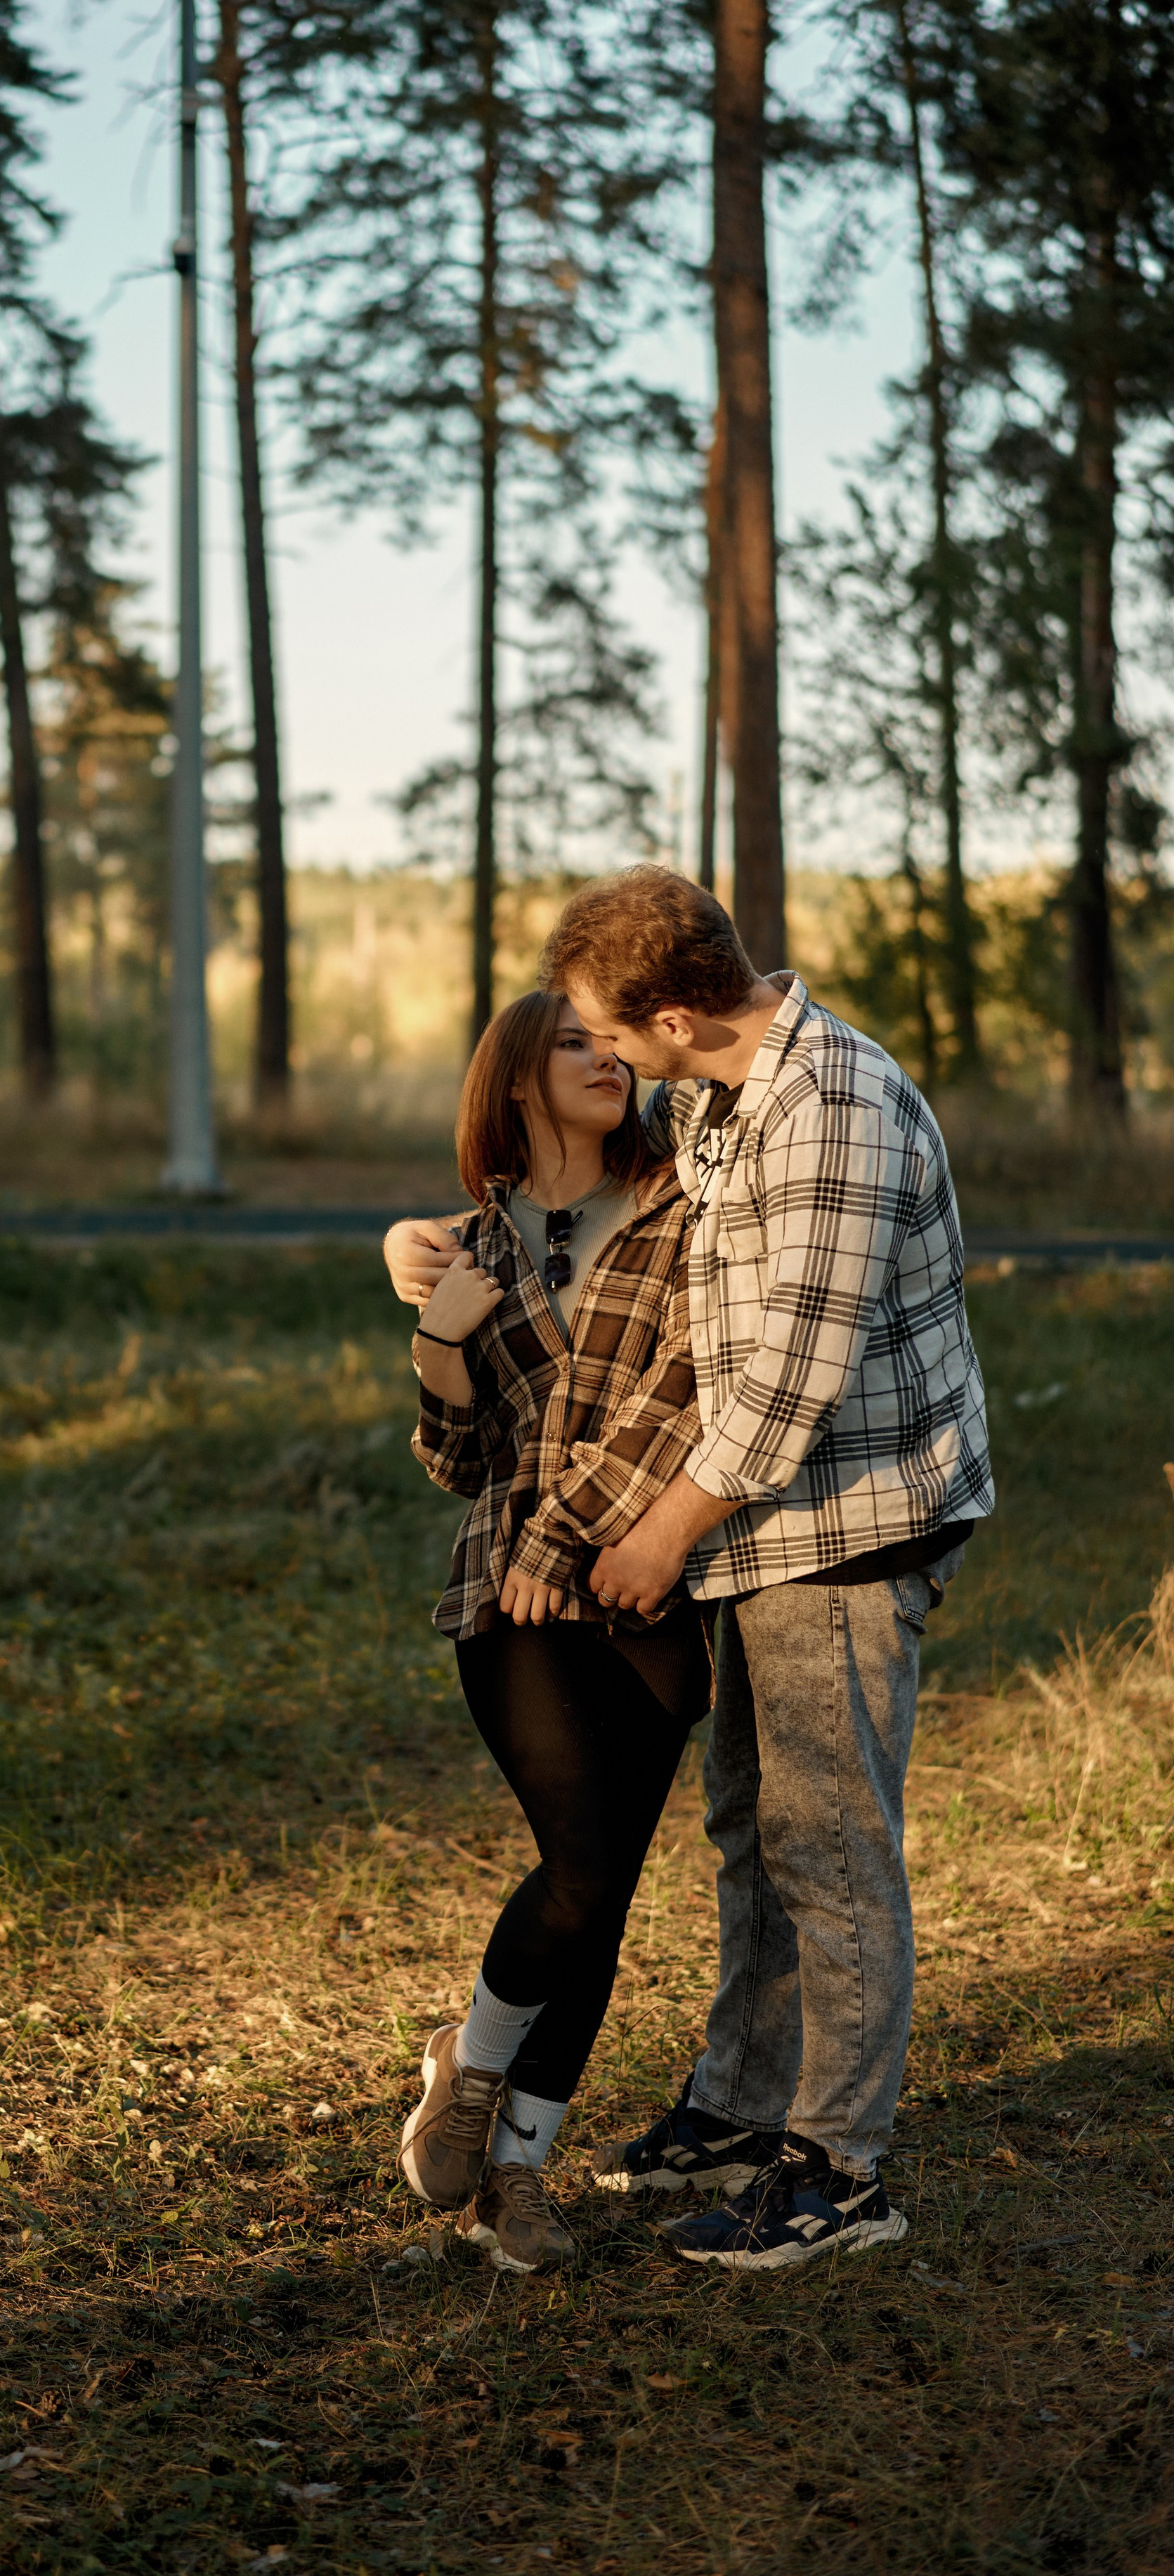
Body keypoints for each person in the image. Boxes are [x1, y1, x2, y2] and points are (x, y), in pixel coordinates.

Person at [386, 869, 993, 2274]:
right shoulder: (720, 1094)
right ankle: (738, 2104)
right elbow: (533, 1227)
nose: (603, 1051)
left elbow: (780, 1380)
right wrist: (415, 1265)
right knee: (753, 1830)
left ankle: (836, 2168)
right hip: (749, 1534)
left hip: (840, 1518)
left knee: (827, 1849)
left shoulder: (828, 1105)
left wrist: (647, 1535)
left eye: (607, 1027)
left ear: (668, 1017)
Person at [396, 987, 715, 2275]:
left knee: (607, 1896)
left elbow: (683, 1395)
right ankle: (470, 2069)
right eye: (573, 1045)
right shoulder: (471, 1247)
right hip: (511, 1598)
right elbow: (461, 1461)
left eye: (611, 1044)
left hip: (645, 1588)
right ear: (518, 1078)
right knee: (579, 1868)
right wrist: (437, 1347)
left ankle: (516, 2169)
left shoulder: (683, 1209)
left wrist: (565, 1532)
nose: (606, 1061)